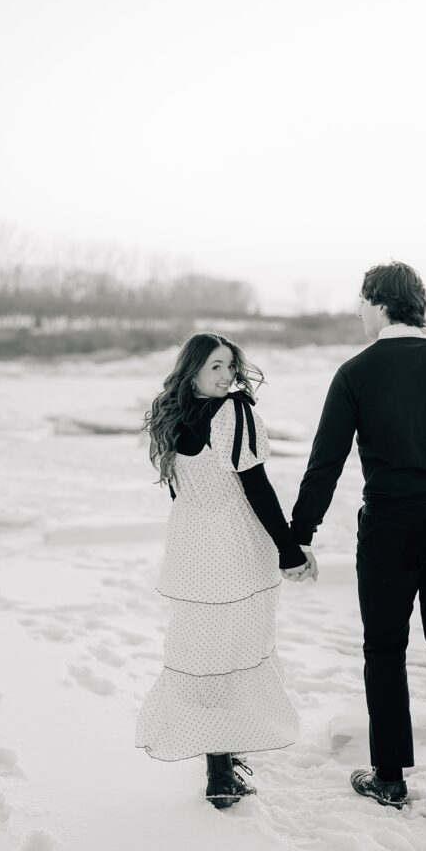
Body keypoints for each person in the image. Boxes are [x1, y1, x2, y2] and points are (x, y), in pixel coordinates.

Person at [288, 262, 426, 809]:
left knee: (385, 647)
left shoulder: (356, 372)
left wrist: (298, 536)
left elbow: (326, 464)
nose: (356, 312)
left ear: (376, 301)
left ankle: (389, 778)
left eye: (360, 302)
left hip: (391, 524)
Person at [135, 332, 315, 808]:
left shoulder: (170, 414)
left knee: (206, 651)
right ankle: (221, 767)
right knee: (233, 648)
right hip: (233, 543)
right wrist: (289, 549)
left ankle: (218, 765)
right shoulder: (236, 412)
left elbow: (180, 490)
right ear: (191, 368)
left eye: (231, 366)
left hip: (191, 548)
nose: (228, 376)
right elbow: (257, 487)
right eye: (216, 366)